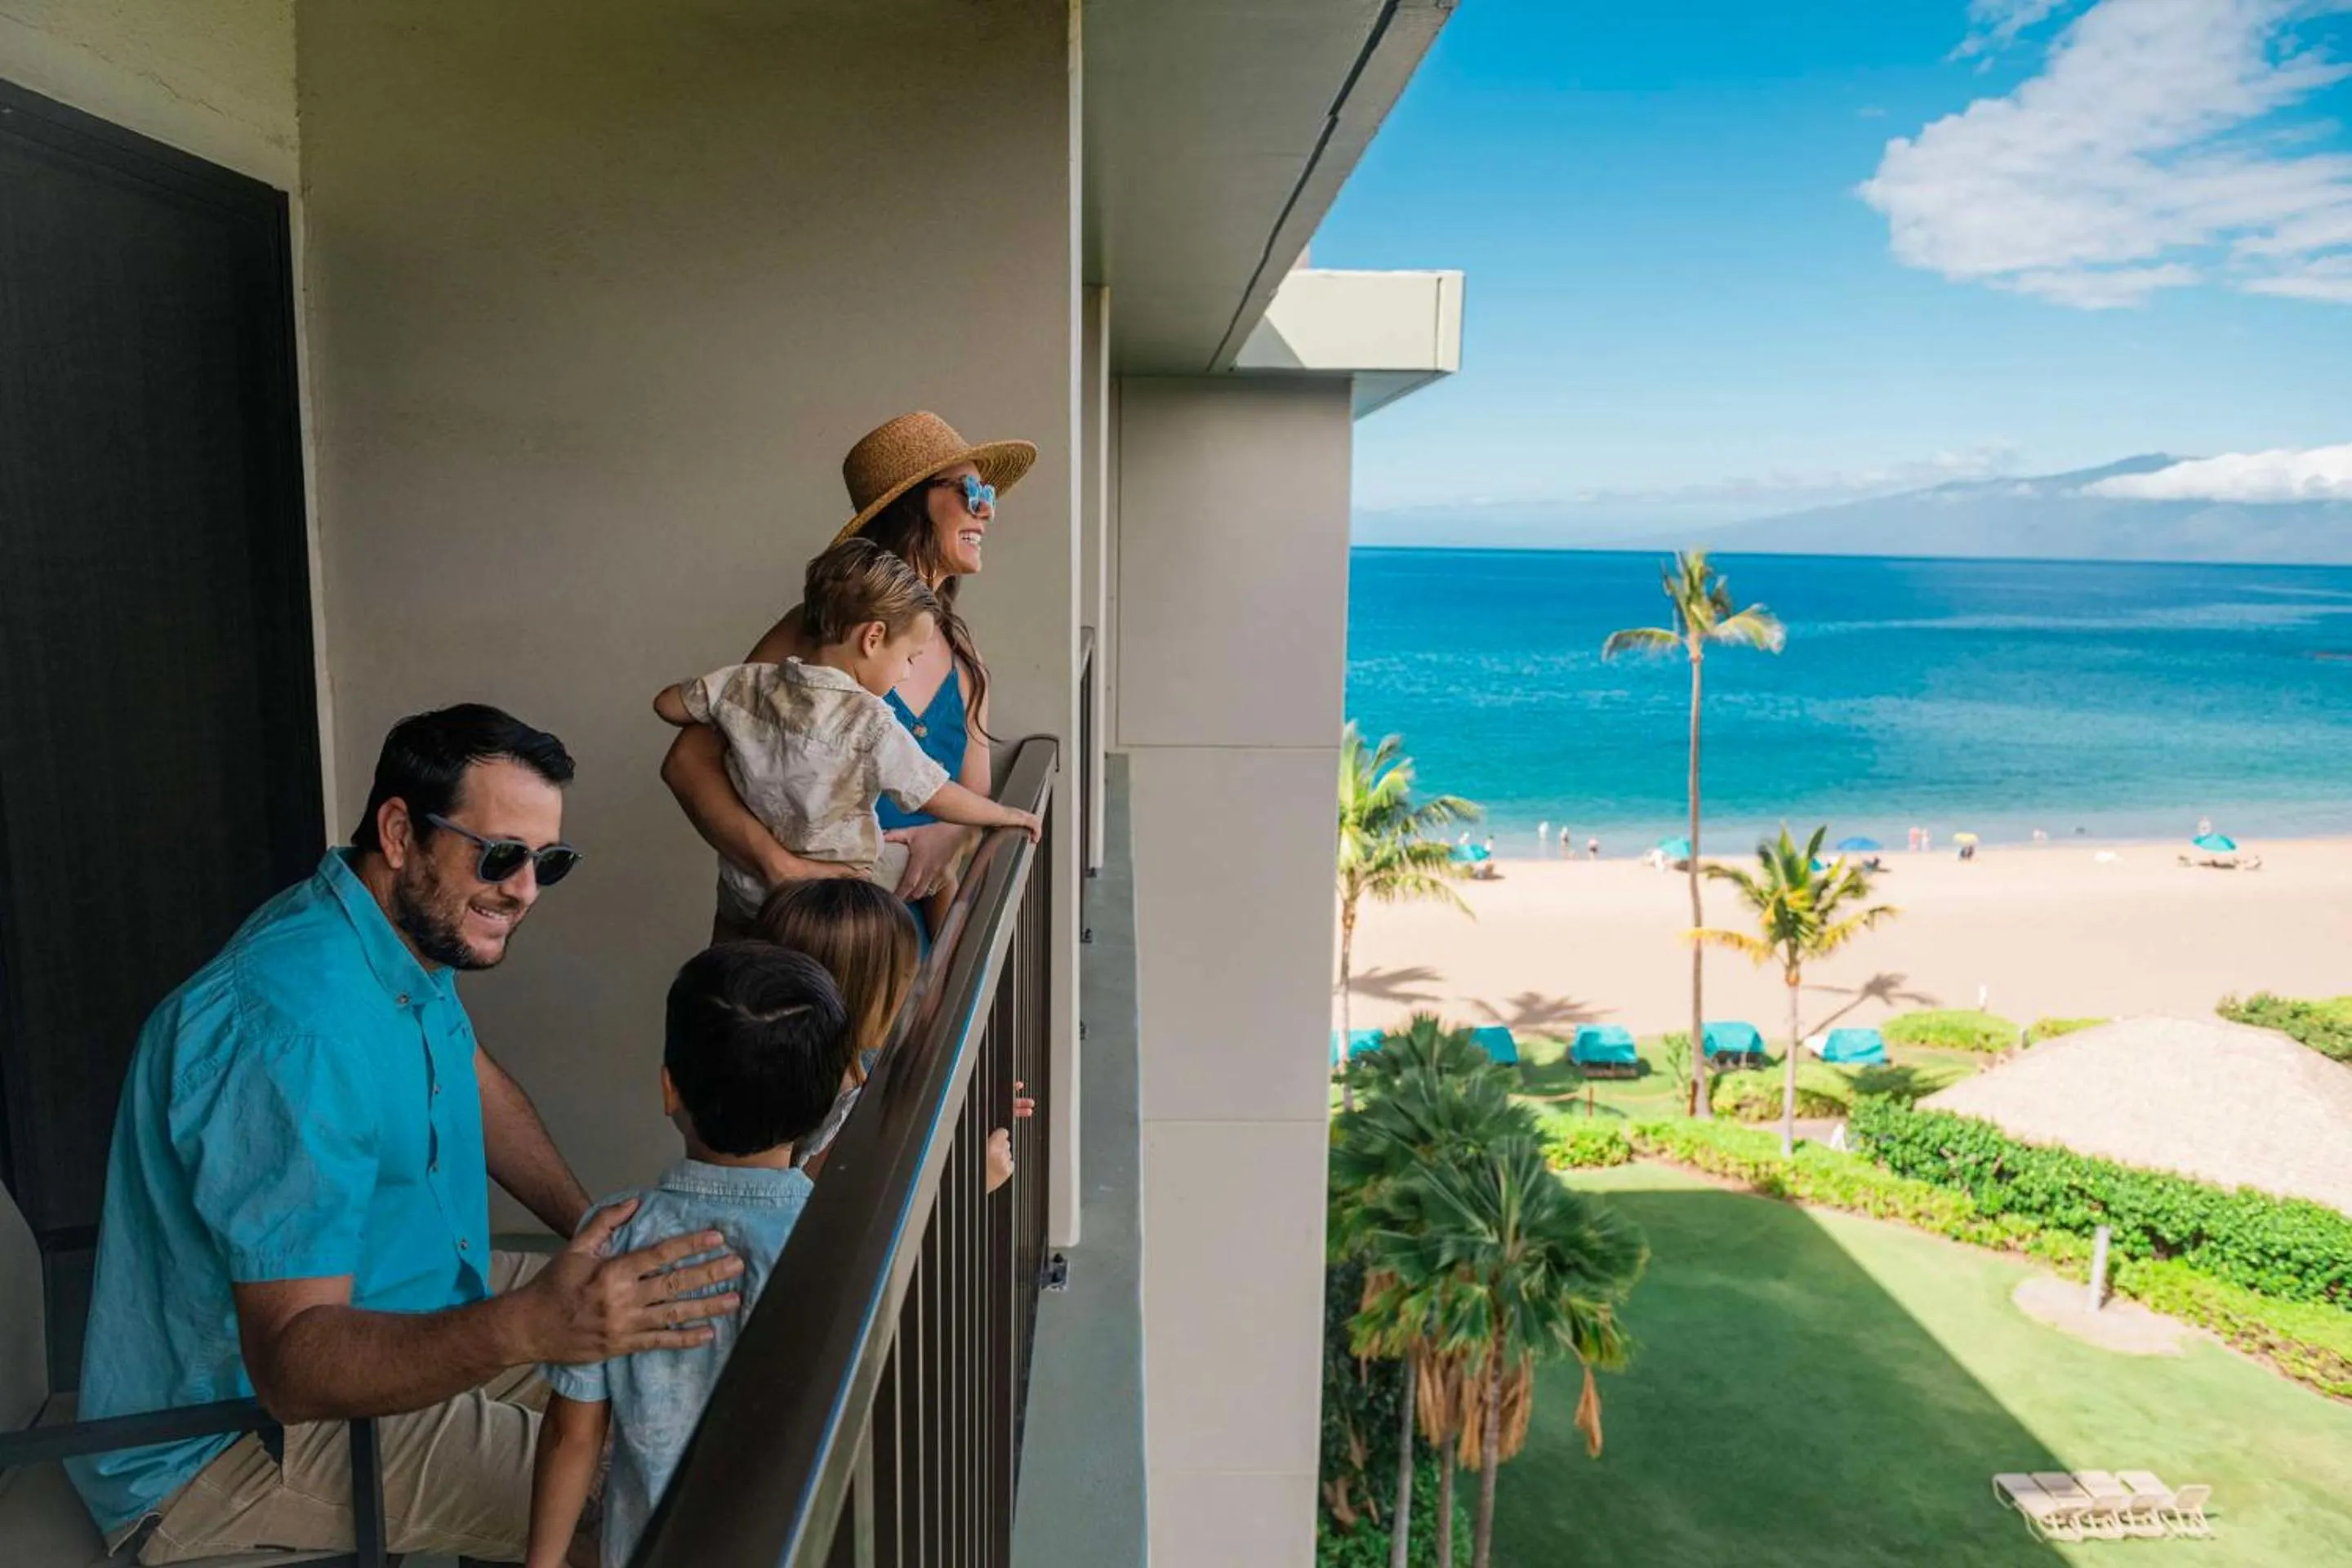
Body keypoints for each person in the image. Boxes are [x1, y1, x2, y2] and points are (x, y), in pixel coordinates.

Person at [69, 706, 743, 1564]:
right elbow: (294, 1365)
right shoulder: (294, 1026)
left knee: (667, 1356)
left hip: (396, 1293)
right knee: (641, 1502)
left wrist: (593, 1232)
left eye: (548, 862)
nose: (526, 890)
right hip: (230, 1441)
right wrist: (527, 1327)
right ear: (398, 830)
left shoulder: (384, 935)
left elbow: (471, 1078)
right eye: (499, 856)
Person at [526, 943, 855, 1568]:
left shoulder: (615, 1236)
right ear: (822, 1108)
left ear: (669, 1089)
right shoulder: (834, 1240)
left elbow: (574, 1434)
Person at [662, 411, 1036, 939]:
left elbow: (974, 799)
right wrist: (780, 867)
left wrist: (951, 834)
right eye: (971, 490)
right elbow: (687, 761)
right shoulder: (821, 632)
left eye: (989, 494)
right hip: (793, 937)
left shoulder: (964, 656)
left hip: (903, 946)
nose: (987, 511)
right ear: (911, 505)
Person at [753, 878, 1016, 1187]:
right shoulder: (847, 1122)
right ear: (854, 995)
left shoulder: (791, 1077)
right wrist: (971, 1183)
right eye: (904, 975)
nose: (914, 987)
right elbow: (844, 1224)